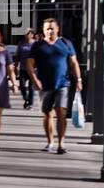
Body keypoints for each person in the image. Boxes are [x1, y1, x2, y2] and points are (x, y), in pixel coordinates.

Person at [25, 18, 83, 154]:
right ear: (43, 30)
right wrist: (34, 80)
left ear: (57, 29)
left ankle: (61, 144)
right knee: (47, 114)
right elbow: (29, 64)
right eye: (47, 28)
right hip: (44, 85)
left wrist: (79, 79)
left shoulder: (65, 44)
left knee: (61, 112)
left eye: (52, 28)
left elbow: (74, 63)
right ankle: (50, 142)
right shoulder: (38, 46)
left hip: (62, 84)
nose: (49, 30)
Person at [16, 29, 37, 110]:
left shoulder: (35, 44)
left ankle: (31, 104)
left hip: (33, 68)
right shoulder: (21, 43)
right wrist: (16, 64)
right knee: (22, 86)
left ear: (32, 34)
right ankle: (26, 99)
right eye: (25, 33)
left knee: (31, 87)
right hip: (23, 68)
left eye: (28, 33)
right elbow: (18, 54)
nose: (26, 35)